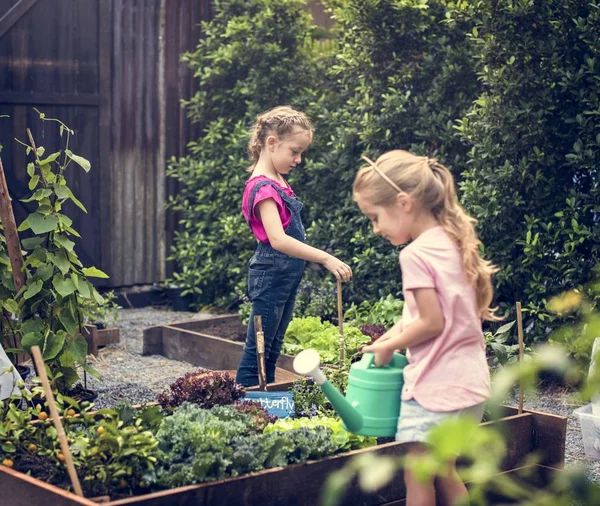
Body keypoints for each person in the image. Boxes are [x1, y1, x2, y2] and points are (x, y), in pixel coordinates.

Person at [353, 150, 499, 506]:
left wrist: (389, 347)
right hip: (470, 383)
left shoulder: (414, 254)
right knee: (445, 470)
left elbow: (433, 323)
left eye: (375, 217)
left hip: (437, 387)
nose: (376, 229)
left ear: (404, 203)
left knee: (417, 472)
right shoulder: (452, 242)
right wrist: (390, 335)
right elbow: (418, 313)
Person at [236, 106, 352, 387]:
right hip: (271, 274)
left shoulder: (277, 181)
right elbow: (278, 239)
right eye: (295, 151)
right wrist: (324, 258)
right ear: (272, 142)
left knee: (273, 347)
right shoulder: (263, 188)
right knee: (258, 351)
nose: (299, 159)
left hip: (284, 275)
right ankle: (242, 406)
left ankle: (266, 403)